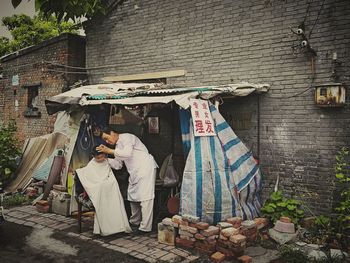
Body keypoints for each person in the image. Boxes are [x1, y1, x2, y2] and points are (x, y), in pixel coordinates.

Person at [97, 129, 157, 233]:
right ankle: (135, 221)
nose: (107, 142)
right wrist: (106, 159)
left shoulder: (128, 137)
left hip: (145, 169)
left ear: (113, 133)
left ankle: (145, 228)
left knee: (145, 198)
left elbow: (127, 154)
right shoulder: (117, 146)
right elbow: (118, 165)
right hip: (134, 172)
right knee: (132, 197)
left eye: (107, 138)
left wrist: (109, 151)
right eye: (105, 140)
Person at [75, 146, 132, 236]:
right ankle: (106, 228)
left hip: (111, 191)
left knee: (115, 199)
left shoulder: (108, 161)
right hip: (98, 192)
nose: (100, 159)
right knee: (101, 192)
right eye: (98, 157)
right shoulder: (92, 164)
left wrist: (114, 156)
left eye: (102, 156)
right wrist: (99, 185)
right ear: (94, 156)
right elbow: (89, 179)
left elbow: (118, 166)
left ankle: (118, 227)